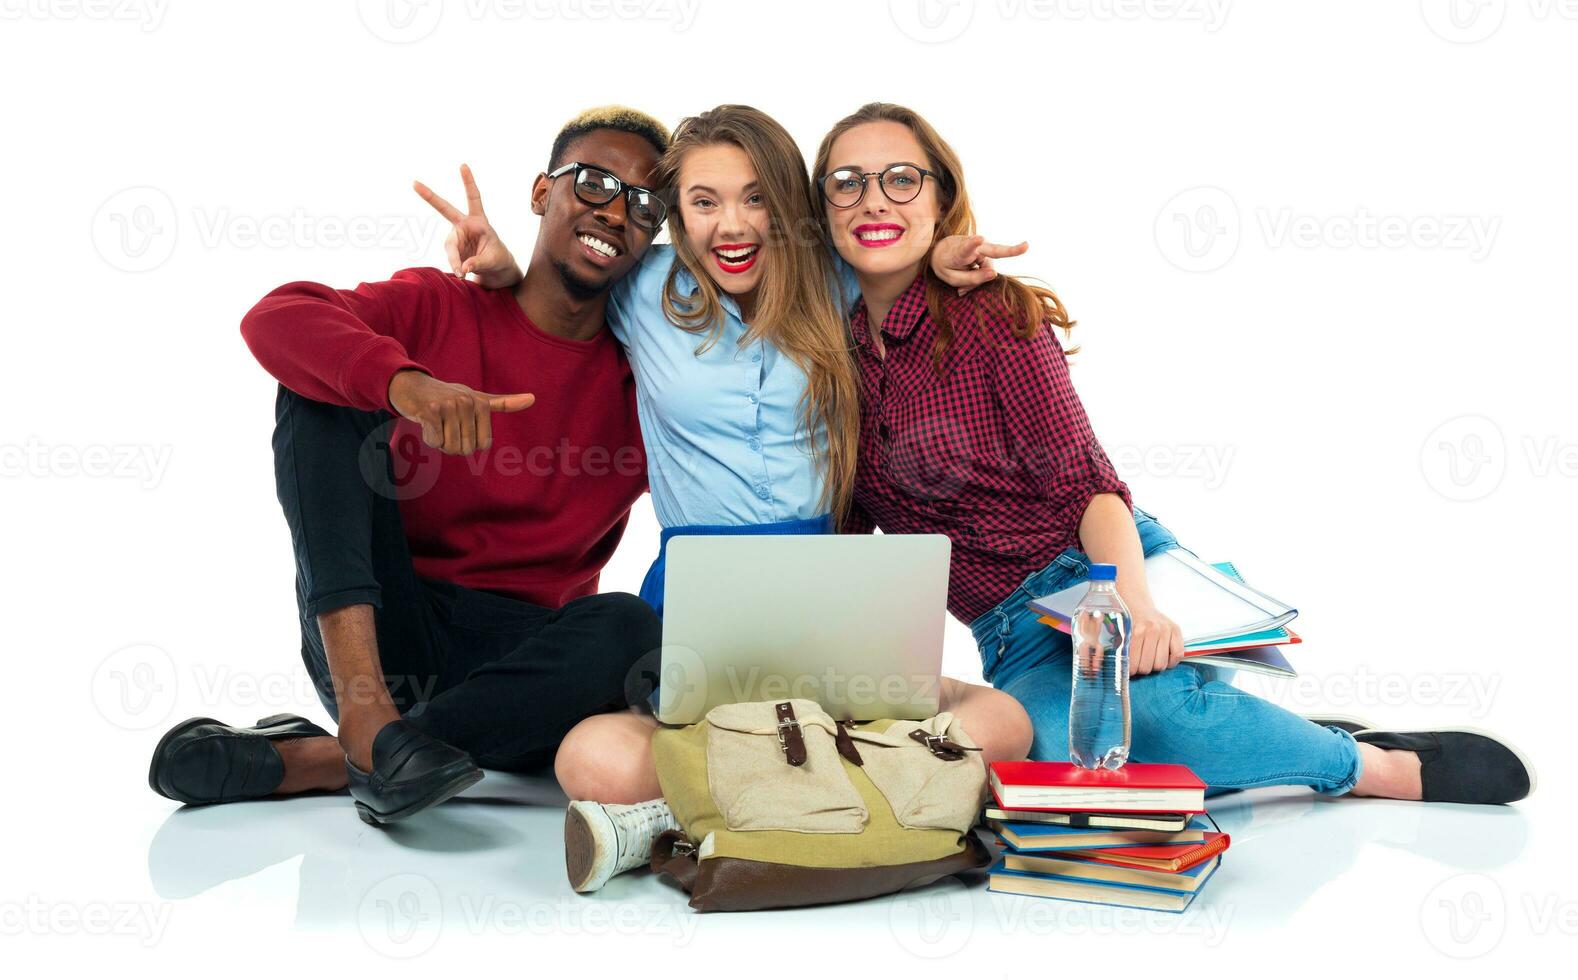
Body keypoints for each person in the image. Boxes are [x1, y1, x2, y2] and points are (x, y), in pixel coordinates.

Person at [813, 102, 1535, 808]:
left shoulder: (995, 316)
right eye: (847, 183)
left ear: (940, 197)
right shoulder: (825, 356)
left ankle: (1369, 764)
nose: (873, 199)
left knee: (1157, 722)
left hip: (1095, 570)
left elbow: (1089, 487)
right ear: (822, 211)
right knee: (1065, 767)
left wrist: (1130, 607)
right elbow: (854, 543)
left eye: (901, 179)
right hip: (1012, 633)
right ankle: (1259, 741)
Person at [432, 104, 1035, 891]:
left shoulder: (834, 277)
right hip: (693, 601)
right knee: (590, 760)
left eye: (755, 198)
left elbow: (904, 253)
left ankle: (679, 817)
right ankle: (847, 796)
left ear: (786, 204)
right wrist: (508, 267)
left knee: (1008, 724)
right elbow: (564, 288)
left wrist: (945, 254)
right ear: (677, 213)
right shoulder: (642, 287)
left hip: (830, 598)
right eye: (705, 201)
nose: (732, 225)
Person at [147, 107, 674, 826]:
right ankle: (366, 722)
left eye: (644, 204)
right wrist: (405, 384)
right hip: (381, 632)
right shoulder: (441, 304)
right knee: (323, 385)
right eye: (593, 183)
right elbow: (277, 315)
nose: (615, 212)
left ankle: (329, 760)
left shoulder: (649, 385)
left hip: (522, 670)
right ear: (541, 193)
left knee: (628, 628)